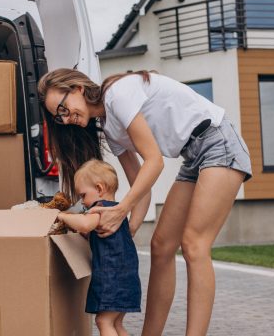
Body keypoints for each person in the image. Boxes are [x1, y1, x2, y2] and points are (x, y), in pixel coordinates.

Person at [38, 69, 252, 336]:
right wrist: (126, 231)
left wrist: (122, 209)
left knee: (194, 244)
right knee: (161, 246)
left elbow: (155, 161)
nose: (66, 118)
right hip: (193, 155)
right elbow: (141, 184)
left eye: (63, 108)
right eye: (60, 117)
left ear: (77, 88)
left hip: (218, 143)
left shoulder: (117, 94)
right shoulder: (109, 128)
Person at [56, 159, 140, 336]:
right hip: (127, 278)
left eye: (83, 195)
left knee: (104, 321)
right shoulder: (117, 213)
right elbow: (91, 232)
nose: (83, 202)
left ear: (100, 189)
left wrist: (62, 216)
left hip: (112, 279)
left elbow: (85, 224)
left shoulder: (100, 209)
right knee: (116, 323)